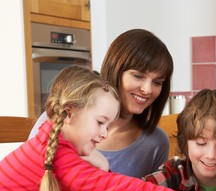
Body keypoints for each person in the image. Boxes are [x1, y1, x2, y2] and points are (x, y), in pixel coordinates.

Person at [0, 66, 216, 191]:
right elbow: (120, 189)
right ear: (69, 113)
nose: (104, 134)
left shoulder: (61, 150)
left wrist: (99, 168)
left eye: (108, 125)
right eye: (100, 122)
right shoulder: (57, 154)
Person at [29, 28, 172, 178]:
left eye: (157, 82)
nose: (147, 89)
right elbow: (30, 179)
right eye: (138, 76)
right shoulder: (63, 115)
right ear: (116, 69)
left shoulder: (156, 143)